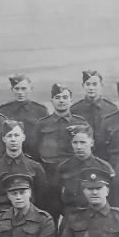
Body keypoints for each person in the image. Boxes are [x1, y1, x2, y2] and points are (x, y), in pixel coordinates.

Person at [29, 84, 88, 223]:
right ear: (51, 100)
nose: (61, 100)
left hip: (73, 177)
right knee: (48, 219)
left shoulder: (81, 124)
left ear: (71, 101)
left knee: (75, 219)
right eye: (57, 97)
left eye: (65, 97)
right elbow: (34, 151)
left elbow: (87, 149)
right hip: (49, 178)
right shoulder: (42, 125)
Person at [0, 120, 48, 223]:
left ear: (23, 138)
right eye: (9, 136)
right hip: (0, 216)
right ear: (3, 139)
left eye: (16, 135)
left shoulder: (35, 166)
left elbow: (41, 197)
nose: (13, 139)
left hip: (28, 218)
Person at [57, 124, 114, 219]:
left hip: (97, 216)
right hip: (72, 217)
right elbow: (57, 197)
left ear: (91, 143)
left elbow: (113, 196)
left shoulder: (104, 167)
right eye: (75, 142)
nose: (79, 147)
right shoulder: (64, 168)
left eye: (83, 142)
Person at [0, 74, 49, 138]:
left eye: (24, 89)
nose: (20, 92)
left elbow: (47, 136)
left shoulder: (41, 111)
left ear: (31, 89)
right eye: (17, 89)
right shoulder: (3, 110)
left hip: (33, 148)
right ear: (12, 89)